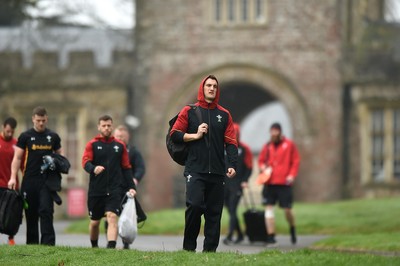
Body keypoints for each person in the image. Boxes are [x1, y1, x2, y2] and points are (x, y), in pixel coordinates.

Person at [170, 74, 238, 252]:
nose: (211, 88)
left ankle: (210, 251)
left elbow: (231, 142)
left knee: (214, 214)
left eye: (214, 86)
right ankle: (189, 248)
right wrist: (195, 135)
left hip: (217, 172)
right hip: (195, 170)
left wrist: (232, 164)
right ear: (202, 88)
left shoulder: (224, 115)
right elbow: (175, 134)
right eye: (208, 85)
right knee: (195, 206)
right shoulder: (189, 111)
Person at [8, 107, 63, 246]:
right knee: (31, 214)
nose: (41, 123)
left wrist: (55, 163)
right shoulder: (25, 136)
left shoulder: (53, 136)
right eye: (38, 120)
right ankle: (32, 244)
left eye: (43, 121)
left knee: (46, 211)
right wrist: (13, 177)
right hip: (30, 181)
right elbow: (17, 158)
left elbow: (61, 158)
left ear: (47, 119)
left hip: (46, 181)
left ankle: (48, 244)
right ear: (33, 119)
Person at [82, 115, 136, 249]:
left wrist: (131, 187)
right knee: (95, 222)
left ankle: (111, 248)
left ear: (112, 126)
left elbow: (126, 167)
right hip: (96, 190)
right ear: (99, 127)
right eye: (104, 126)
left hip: (114, 190)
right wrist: (93, 168)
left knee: (112, 217)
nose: (106, 128)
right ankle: (94, 246)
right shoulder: (92, 144)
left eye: (109, 125)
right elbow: (85, 162)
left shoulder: (120, 146)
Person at [258, 122, 300, 245]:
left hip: (284, 182)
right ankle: (271, 235)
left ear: (280, 132)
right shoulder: (267, 146)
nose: (274, 134)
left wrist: (292, 175)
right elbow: (261, 161)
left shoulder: (289, 145)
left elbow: (295, 161)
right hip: (270, 182)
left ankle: (292, 227)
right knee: (269, 208)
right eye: (272, 131)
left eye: (276, 131)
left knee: (287, 209)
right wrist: (263, 168)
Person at [111, 124, 146, 249]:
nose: (120, 138)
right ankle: (111, 243)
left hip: (127, 189)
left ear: (128, 137)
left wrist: (135, 180)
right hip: (112, 188)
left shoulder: (134, 152)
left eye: (123, 136)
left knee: (127, 217)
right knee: (111, 215)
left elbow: (140, 168)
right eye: (118, 136)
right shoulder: (110, 150)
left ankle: (126, 243)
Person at [223, 123, 253, 245]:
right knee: (229, 209)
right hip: (224, 184)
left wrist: (245, 180)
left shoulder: (244, 149)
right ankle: (240, 234)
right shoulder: (223, 147)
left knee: (233, 208)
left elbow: (249, 167)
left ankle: (230, 235)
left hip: (237, 183)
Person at [0, 117, 18, 245]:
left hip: (11, 184)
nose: (10, 134)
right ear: (3, 127)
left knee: (11, 213)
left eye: (12, 132)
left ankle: (11, 238)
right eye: (8, 131)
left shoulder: (16, 144)